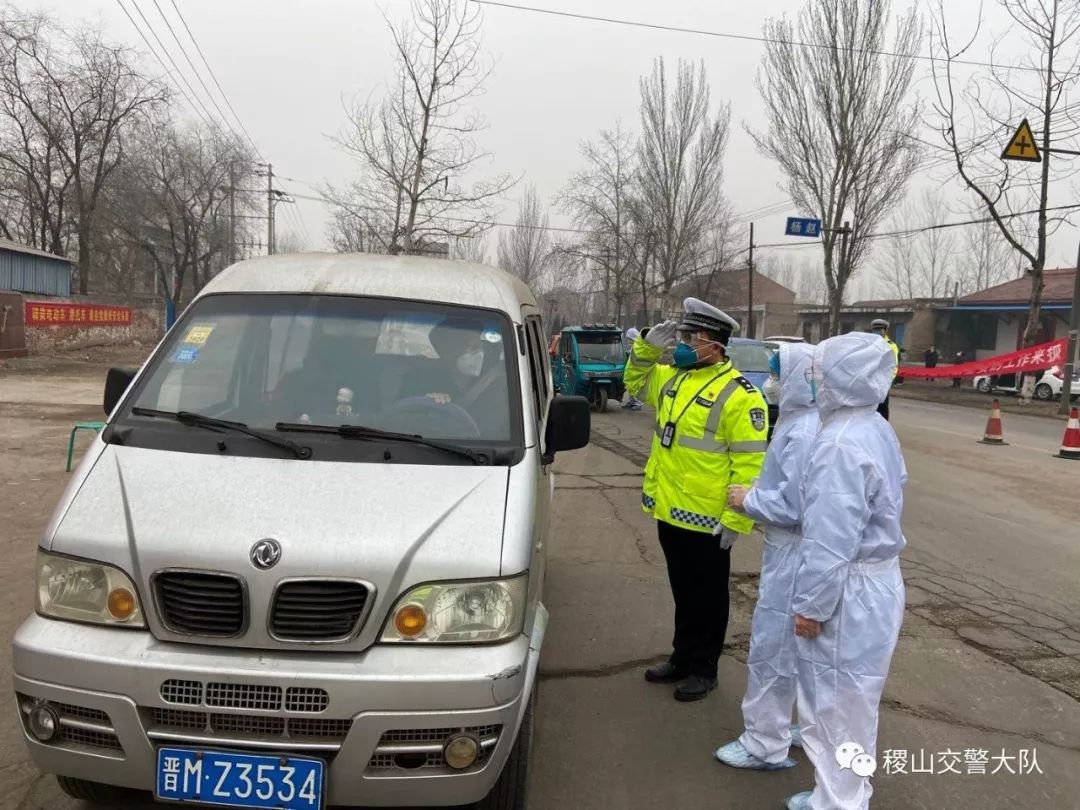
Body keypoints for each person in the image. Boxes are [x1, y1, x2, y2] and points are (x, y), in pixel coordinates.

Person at [782, 331, 907, 810]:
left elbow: (830, 538)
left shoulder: (838, 444)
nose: (813, 377)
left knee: (834, 703)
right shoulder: (875, 426)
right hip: (877, 582)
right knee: (855, 702)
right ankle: (846, 792)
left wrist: (811, 606)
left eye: (820, 369)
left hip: (848, 590)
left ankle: (837, 802)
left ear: (838, 376)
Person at [624, 298, 769, 702]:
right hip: (670, 511)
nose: (684, 344)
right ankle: (682, 657)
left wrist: (737, 520)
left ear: (714, 344)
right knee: (683, 591)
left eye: (692, 337)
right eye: (683, 336)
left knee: (708, 598)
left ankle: (705, 668)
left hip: (709, 520)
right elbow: (634, 383)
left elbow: (749, 465)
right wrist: (646, 350)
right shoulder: (673, 379)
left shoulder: (741, 395)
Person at [714, 342, 819, 772]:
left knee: (773, 650)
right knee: (795, 651)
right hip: (791, 550)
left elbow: (794, 505)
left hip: (792, 552)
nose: (770, 381)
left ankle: (764, 743)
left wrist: (748, 500)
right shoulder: (801, 423)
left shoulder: (804, 432)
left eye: (777, 373)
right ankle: (787, 728)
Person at [870, 319, 899, 420]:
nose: (877, 332)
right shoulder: (868, 343)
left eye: (880, 330)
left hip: (883, 381)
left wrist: (889, 380)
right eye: (875, 330)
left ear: (885, 331)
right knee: (869, 407)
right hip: (870, 380)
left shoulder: (891, 345)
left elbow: (893, 365)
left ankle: (883, 428)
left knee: (882, 407)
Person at [622, 327, 645, 411]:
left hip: (636, 371)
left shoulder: (639, 346)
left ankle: (638, 403)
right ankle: (632, 402)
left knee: (635, 387)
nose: (628, 340)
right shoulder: (635, 345)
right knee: (630, 387)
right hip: (631, 371)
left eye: (629, 338)